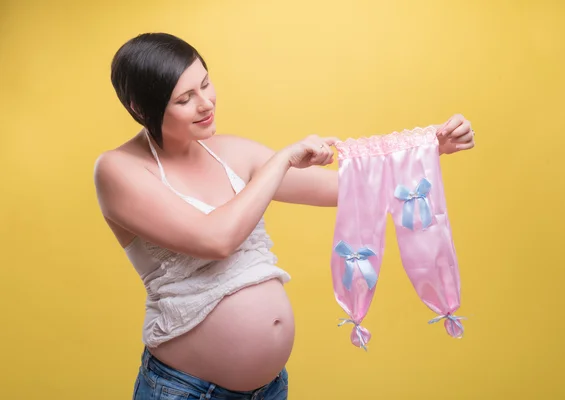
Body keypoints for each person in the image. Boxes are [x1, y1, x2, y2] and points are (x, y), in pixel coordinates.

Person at [93, 32, 475, 400]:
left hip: (270, 389)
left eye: (206, 84)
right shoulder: (118, 170)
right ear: (141, 109)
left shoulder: (231, 153)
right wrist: (280, 161)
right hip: (184, 390)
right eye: (185, 98)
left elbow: (350, 191)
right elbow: (216, 240)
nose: (206, 103)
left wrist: (429, 149)